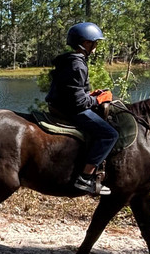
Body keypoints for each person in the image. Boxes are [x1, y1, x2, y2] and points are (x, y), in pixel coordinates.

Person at [45, 22, 119, 197]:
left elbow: (74, 91)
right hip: (70, 110)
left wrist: (91, 95)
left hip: (60, 104)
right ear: (85, 43)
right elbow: (78, 102)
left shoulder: (70, 60)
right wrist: (98, 99)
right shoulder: (77, 65)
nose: (96, 46)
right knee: (110, 134)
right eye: (95, 42)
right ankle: (85, 177)